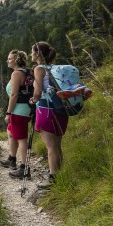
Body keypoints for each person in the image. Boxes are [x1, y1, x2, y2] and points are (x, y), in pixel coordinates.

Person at [29, 41, 68, 189]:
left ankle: (52, 179)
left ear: (38, 53)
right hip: (60, 110)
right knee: (57, 145)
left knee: (51, 146)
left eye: (32, 51)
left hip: (46, 110)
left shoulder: (39, 69)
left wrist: (33, 100)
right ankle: (59, 175)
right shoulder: (54, 68)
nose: (30, 54)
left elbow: (38, 92)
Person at [0, 49, 33, 178]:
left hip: (18, 109)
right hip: (25, 108)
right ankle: (12, 158)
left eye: (9, 58)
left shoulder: (16, 74)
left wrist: (8, 112)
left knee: (21, 138)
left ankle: (24, 169)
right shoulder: (27, 71)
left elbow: (14, 95)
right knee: (11, 132)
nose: (7, 61)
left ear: (16, 60)